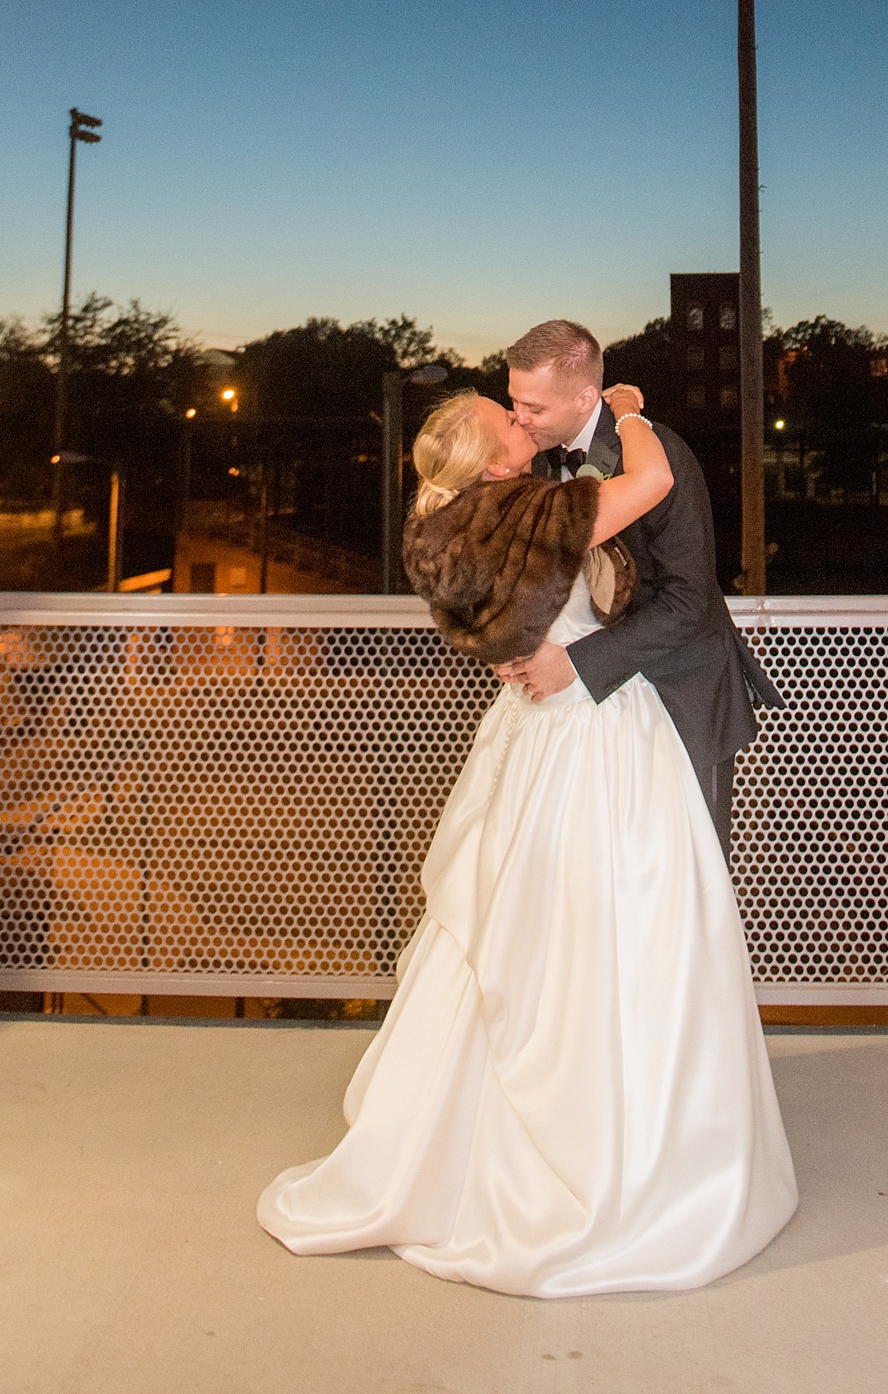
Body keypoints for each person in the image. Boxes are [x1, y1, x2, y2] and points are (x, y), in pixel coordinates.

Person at [255, 370, 796, 1298]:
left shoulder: (445, 524)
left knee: (526, 928)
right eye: (502, 417)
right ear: (491, 457)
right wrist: (629, 412)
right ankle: (616, 1156)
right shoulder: (535, 510)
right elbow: (653, 490)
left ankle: (468, 1142)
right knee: (610, 925)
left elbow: (502, 627)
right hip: (594, 734)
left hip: (531, 726)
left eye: (518, 404)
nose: (518, 419)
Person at [501, 317, 781, 862]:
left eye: (534, 407)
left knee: (686, 877)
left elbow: (689, 600)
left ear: (586, 397)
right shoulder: (531, 456)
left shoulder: (661, 455)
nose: (519, 418)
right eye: (514, 401)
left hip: (682, 693)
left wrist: (577, 664)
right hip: (590, 711)